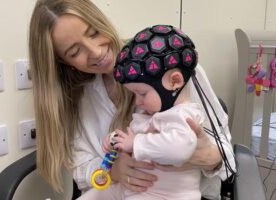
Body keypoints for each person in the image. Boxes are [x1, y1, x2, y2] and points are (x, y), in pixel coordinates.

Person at [28, 0, 236, 199]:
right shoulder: (78, 96)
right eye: (75, 52)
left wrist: (209, 157)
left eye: (93, 33)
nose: (96, 51)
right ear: (64, 62)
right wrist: (111, 170)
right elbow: (81, 169)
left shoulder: (170, 69)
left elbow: (227, 158)